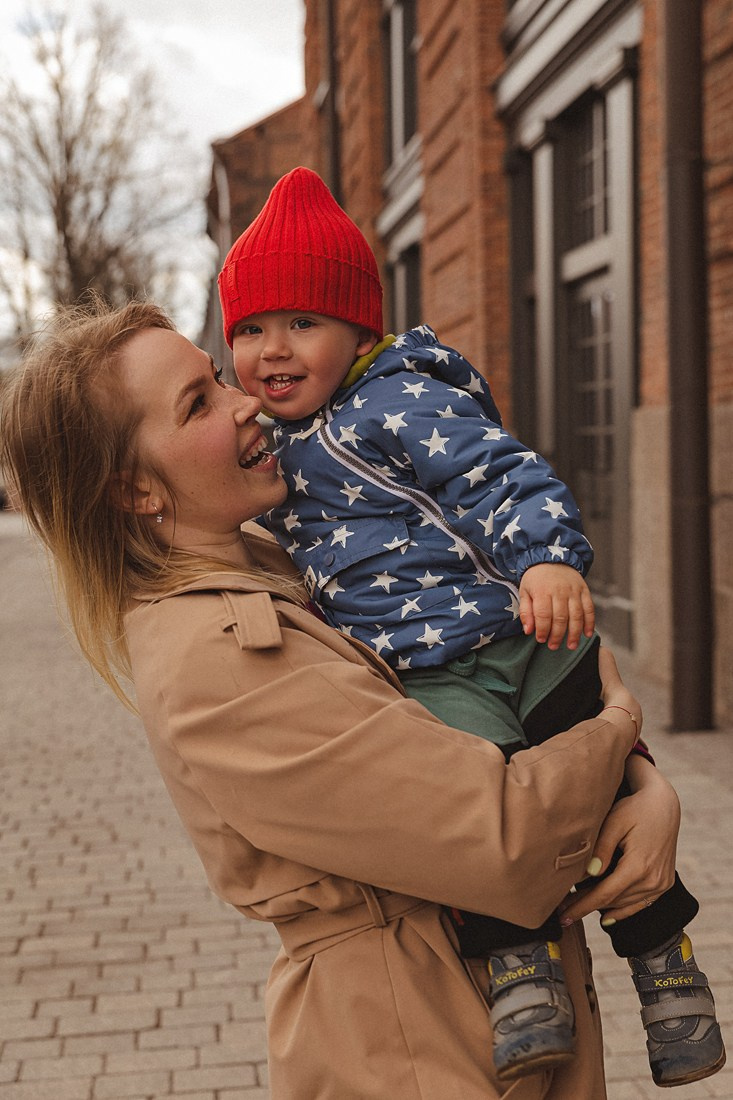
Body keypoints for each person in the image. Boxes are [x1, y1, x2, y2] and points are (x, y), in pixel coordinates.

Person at [0, 297, 691, 1099]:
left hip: (467, 1009)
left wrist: (647, 791)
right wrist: (617, 729)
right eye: (200, 404)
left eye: (216, 377)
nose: (247, 399)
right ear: (134, 493)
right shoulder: (213, 658)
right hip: (415, 1043)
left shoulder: (295, 561)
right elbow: (500, 834)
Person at [218, 166, 725, 1087]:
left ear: (357, 329)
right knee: (484, 808)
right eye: (249, 329)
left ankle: (667, 968)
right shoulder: (275, 447)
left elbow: (501, 476)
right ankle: (520, 970)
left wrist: (545, 556)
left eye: (302, 322)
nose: (271, 349)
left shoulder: (401, 400)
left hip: (524, 637)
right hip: (429, 675)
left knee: (611, 802)